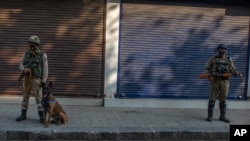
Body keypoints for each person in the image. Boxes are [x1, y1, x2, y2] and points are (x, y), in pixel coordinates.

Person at [205, 43, 242, 123]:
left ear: (225, 50)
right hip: (215, 81)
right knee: (212, 98)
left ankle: (222, 116)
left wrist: (237, 73)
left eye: (223, 49)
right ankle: (210, 116)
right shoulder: (213, 59)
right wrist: (209, 76)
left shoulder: (229, 59)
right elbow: (207, 69)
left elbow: (232, 70)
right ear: (217, 50)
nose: (221, 51)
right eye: (220, 49)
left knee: (223, 99)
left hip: (225, 81)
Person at [16, 35, 48, 123]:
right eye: (29, 43)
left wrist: (44, 80)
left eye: (31, 43)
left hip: (37, 79)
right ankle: (23, 114)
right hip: (27, 79)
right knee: (25, 97)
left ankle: (42, 117)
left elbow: (45, 68)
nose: (29, 44)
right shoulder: (25, 53)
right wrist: (24, 69)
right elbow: (21, 64)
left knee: (39, 98)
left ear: (36, 44)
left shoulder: (42, 55)